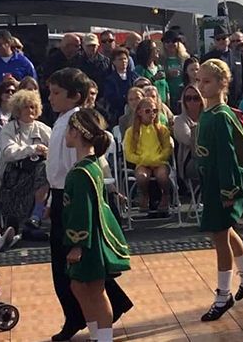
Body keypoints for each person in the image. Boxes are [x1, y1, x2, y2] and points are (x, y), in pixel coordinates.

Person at [46, 68, 132, 341]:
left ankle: (93, 322)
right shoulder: (63, 120)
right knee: (76, 278)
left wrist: (76, 239)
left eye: (56, 93)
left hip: (74, 203)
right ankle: (90, 322)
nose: (50, 98)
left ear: (75, 96)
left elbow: (76, 177)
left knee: (84, 276)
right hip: (63, 195)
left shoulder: (77, 122)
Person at [194, 59, 243, 321]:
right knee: (224, 231)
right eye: (199, 80)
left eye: (207, 81)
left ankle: (223, 294)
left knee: (219, 237)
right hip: (212, 183)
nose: (201, 86)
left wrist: (228, 191)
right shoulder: (209, 113)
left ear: (223, 83)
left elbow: (228, 156)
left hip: (221, 186)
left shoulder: (221, 116)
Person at [63, 108, 131, 342]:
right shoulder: (91, 165)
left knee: (95, 290)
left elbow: (83, 211)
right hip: (94, 236)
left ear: (76, 132)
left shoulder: (81, 173)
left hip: (89, 239)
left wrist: (77, 245)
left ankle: (103, 338)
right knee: (79, 287)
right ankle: (96, 335)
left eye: (68, 129)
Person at [0, 89, 51, 232]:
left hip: (39, 173)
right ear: (18, 109)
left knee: (44, 167)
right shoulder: (9, 129)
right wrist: (32, 149)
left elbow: (55, 151)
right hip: (14, 174)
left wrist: (46, 152)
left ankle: (36, 215)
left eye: (32, 106)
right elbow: (8, 153)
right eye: (25, 107)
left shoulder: (43, 129)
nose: (30, 110)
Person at [123, 97, 172, 217]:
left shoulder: (162, 130)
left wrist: (160, 158)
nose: (152, 114)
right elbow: (128, 152)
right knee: (142, 176)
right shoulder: (131, 131)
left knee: (162, 176)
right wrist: (140, 160)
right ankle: (145, 195)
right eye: (148, 111)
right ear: (139, 112)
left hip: (159, 162)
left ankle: (166, 195)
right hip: (142, 163)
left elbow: (168, 148)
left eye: (155, 111)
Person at [201, 25, 243, 107]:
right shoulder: (207, 58)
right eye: (218, 39)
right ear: (214, 41)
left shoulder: (238, 55)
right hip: (216, 101)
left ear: (228, 39)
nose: (221, 41)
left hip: (237, 101)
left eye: (224, 38)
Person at [0, 30, 36, 94]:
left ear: (9, 43)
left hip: (18, 101)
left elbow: (34, 86)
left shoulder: (25, 63)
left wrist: (18, 84)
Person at [173, 84, 203, 181]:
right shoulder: (179, 120)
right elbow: (189, 140)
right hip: (191, 160)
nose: (192, 101)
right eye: (188, 98)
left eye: (196, 98)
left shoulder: (208, 116)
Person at [104, 47, 138, 126]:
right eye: (120, 59)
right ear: (114, 62)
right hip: (118, 114)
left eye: (125, 59)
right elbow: (110, 98)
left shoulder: (134, 76)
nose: (123, 61)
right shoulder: (110, 80)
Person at [161, 30, 190, 114]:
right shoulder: (161, 59)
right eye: (167, 41)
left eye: (174, 41)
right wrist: (168, 74)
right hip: (168, 94)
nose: (171, 44)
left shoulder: (185, 58)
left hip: (183, 93)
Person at [135, 39, 169, 105]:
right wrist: (153, 79)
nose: (157, 50)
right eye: (154, 48)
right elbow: (138, 87)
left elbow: (166, 88)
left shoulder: (159, 68)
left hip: (162, 105)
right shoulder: (140, 69)